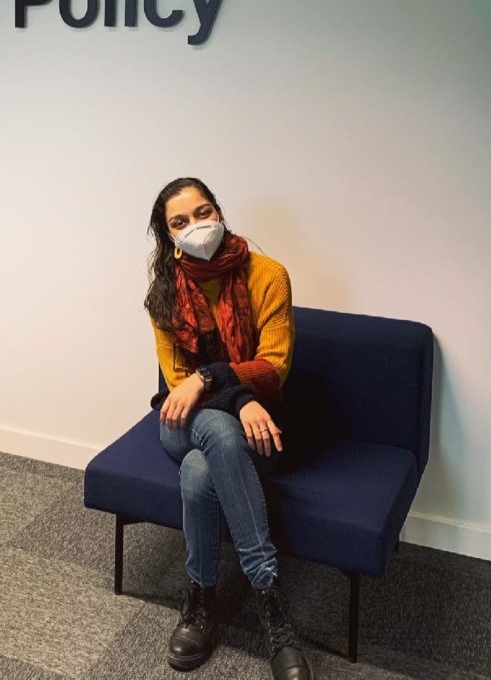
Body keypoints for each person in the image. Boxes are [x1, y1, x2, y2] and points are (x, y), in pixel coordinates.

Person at [146, 177, 312, 679]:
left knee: (201, 470)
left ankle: (200, 600)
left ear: (218, 211)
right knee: (213, 430)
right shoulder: (163, 295)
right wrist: (241, 399)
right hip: (183, 423)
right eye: (180, 222)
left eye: (202, 212)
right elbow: (178, 389)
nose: (196, 227)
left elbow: (275, 365)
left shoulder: (269, 275)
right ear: (168, 236)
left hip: (254, 431)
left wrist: (214, 383)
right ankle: (273, 609)